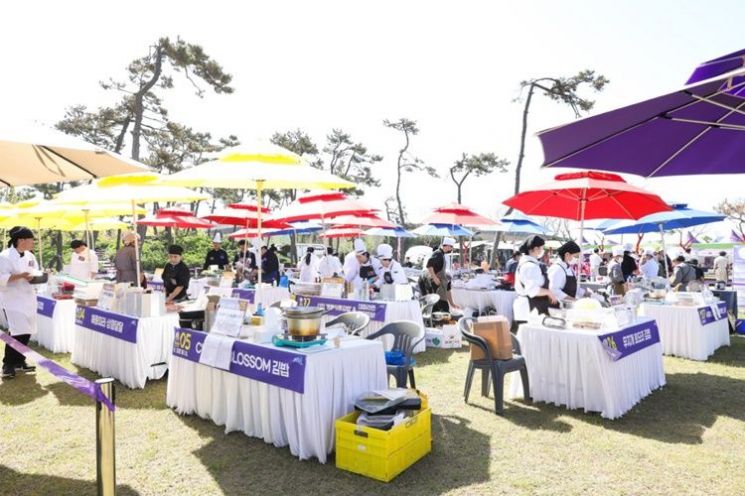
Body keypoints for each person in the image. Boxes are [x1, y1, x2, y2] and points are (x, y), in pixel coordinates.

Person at [0, 227, 39, 378]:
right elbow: (1, 278)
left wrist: (39, 276)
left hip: (28, 298)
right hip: (13, 300)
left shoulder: (30, 255)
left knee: (27, 331)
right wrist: (20, 276)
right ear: (21, 240)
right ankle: (7, 364)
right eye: (31, 240)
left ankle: (19, 361)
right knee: (16, 332)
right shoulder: (5, 256)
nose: (33, 243)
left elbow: (34, 271)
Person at [513, 235, 558, 324]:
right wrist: (549, 292)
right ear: (536, 249)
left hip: (529, 308)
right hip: (529, 310)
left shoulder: (529, 263)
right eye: (542, 248)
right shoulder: (530, 266)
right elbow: (533, 290)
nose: (542, 250)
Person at [425, 237, 459, 312]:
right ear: (447, 246)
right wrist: (434, 277)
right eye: (451, 247)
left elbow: (448, 288)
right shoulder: (438, 254)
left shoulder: (442, 254)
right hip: (437, 287)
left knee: (441, 309)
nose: (451, 249)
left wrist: (452, 304)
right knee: (442, 310)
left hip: (441, 288)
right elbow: (429, 265)